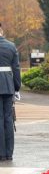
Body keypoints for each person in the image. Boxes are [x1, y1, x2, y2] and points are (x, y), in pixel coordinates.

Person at [0, 23, 21, 161]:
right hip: (8, 86)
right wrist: (17, 87)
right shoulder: (11, 46)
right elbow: (16, 69)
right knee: (8, 119)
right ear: (1, 30)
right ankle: (8, 153)